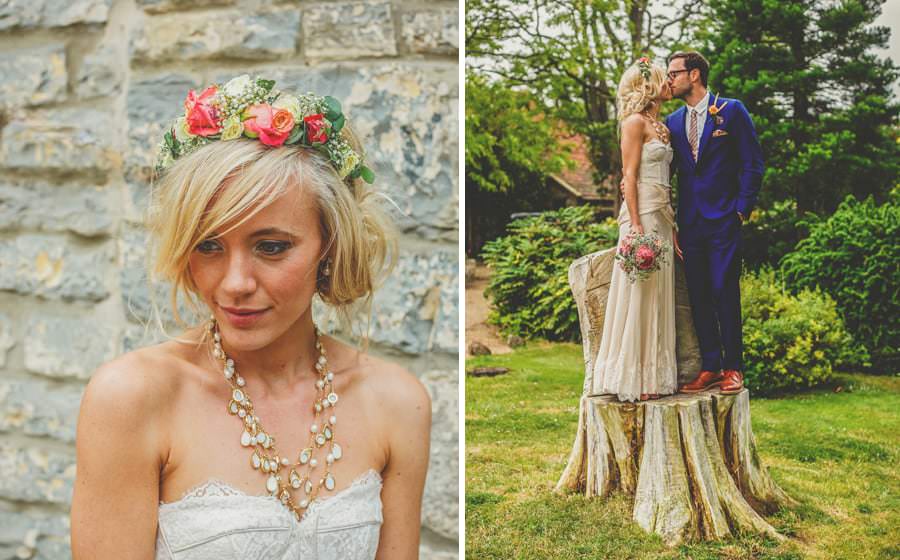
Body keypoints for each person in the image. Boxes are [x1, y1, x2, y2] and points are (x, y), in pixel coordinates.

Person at [70, 75, 431, 560]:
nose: (235, 282)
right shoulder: (132, 398)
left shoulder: (397, 402)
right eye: (210, 246)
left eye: (271, 247)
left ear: (327, 244)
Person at [664, 52, 764, 395]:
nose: (669, 79)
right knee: (700, 295)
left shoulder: (731, 111)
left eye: (674, 73)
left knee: (724, 290)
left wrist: (740, 210)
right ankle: (710, 367)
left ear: (694, 74)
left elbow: (753, 163)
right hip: (690, 224)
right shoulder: (673, 122)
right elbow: (669, 172)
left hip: (724, 220)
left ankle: (733, 367)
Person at [589, 58, 682, 402]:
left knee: (659, 292)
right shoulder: (633, 124)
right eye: (663, 78)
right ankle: (632, 376)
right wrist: (636, 226)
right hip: (640, 213)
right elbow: (628, 177)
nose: (669, 83)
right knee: (639, 291)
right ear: (649, 86)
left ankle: (655, 375)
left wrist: (670, 225)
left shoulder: (662, 127)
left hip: (662, 214)